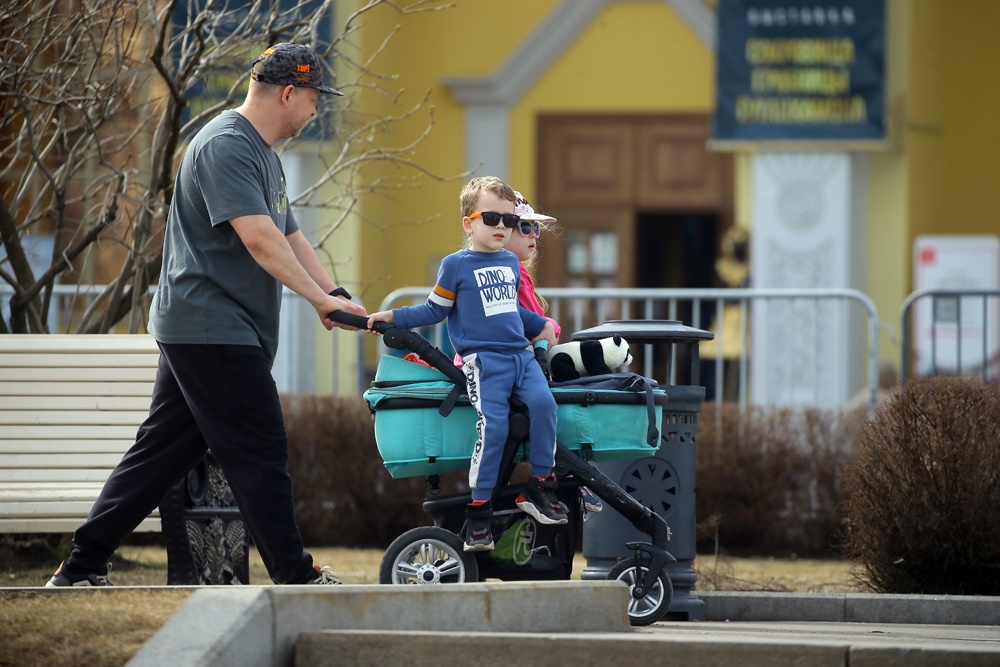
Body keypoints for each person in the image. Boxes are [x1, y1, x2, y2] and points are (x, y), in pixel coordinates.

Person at [46, 43, 367, 587]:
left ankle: (80, 566)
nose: (316, 112)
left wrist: (331, 291)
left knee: (160, 456)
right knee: (261, 450)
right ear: (288, 93)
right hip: (211, 326)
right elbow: (261, 241)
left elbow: (289, 234)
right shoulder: (224, 145)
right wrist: (317, 301)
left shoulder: (262, 153)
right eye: (314, 100)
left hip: (209, 327)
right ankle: (296, 577)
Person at [367, 176, 565, 552]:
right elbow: (434, 310)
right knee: (495, 428)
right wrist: (393, 317)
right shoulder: (455, 265)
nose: (503, 228)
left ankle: (540, 486)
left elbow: (512, 313)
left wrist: (539, 325)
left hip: (521, 357)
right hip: (484, 362)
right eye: (492, 218)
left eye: (509, 220)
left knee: (545, 406)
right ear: (468, 223)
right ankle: (478, 513)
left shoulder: (509, 262)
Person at [507, 191, 603, 514]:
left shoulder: (521, 274)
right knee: (561, 402)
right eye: (525, 227)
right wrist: (547, 328)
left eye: (536, 229)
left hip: (530, 361)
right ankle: (570, 473)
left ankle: (572, 473)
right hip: (518, 366)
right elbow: (528, 326)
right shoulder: (511, 274)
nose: (534, 236)